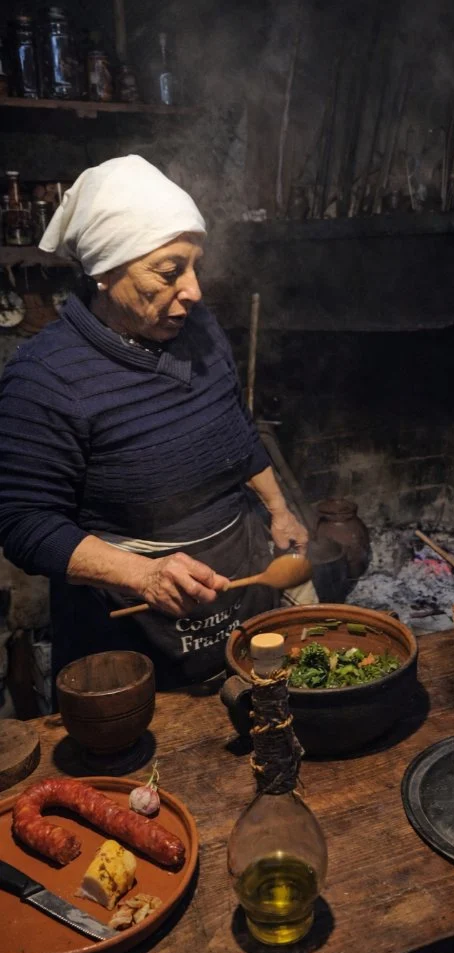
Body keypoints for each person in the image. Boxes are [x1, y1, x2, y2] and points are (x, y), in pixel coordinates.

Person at [0, 155, 307, 688]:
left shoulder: (198, 326)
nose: (194, 290)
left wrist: (279, 510)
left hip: (241, 592)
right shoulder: (45, 376)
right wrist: (144, 575)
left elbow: (235, 426)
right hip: (132, 637)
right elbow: (24, 524)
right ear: (105, 272)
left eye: (194, 266)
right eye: (169, 272)